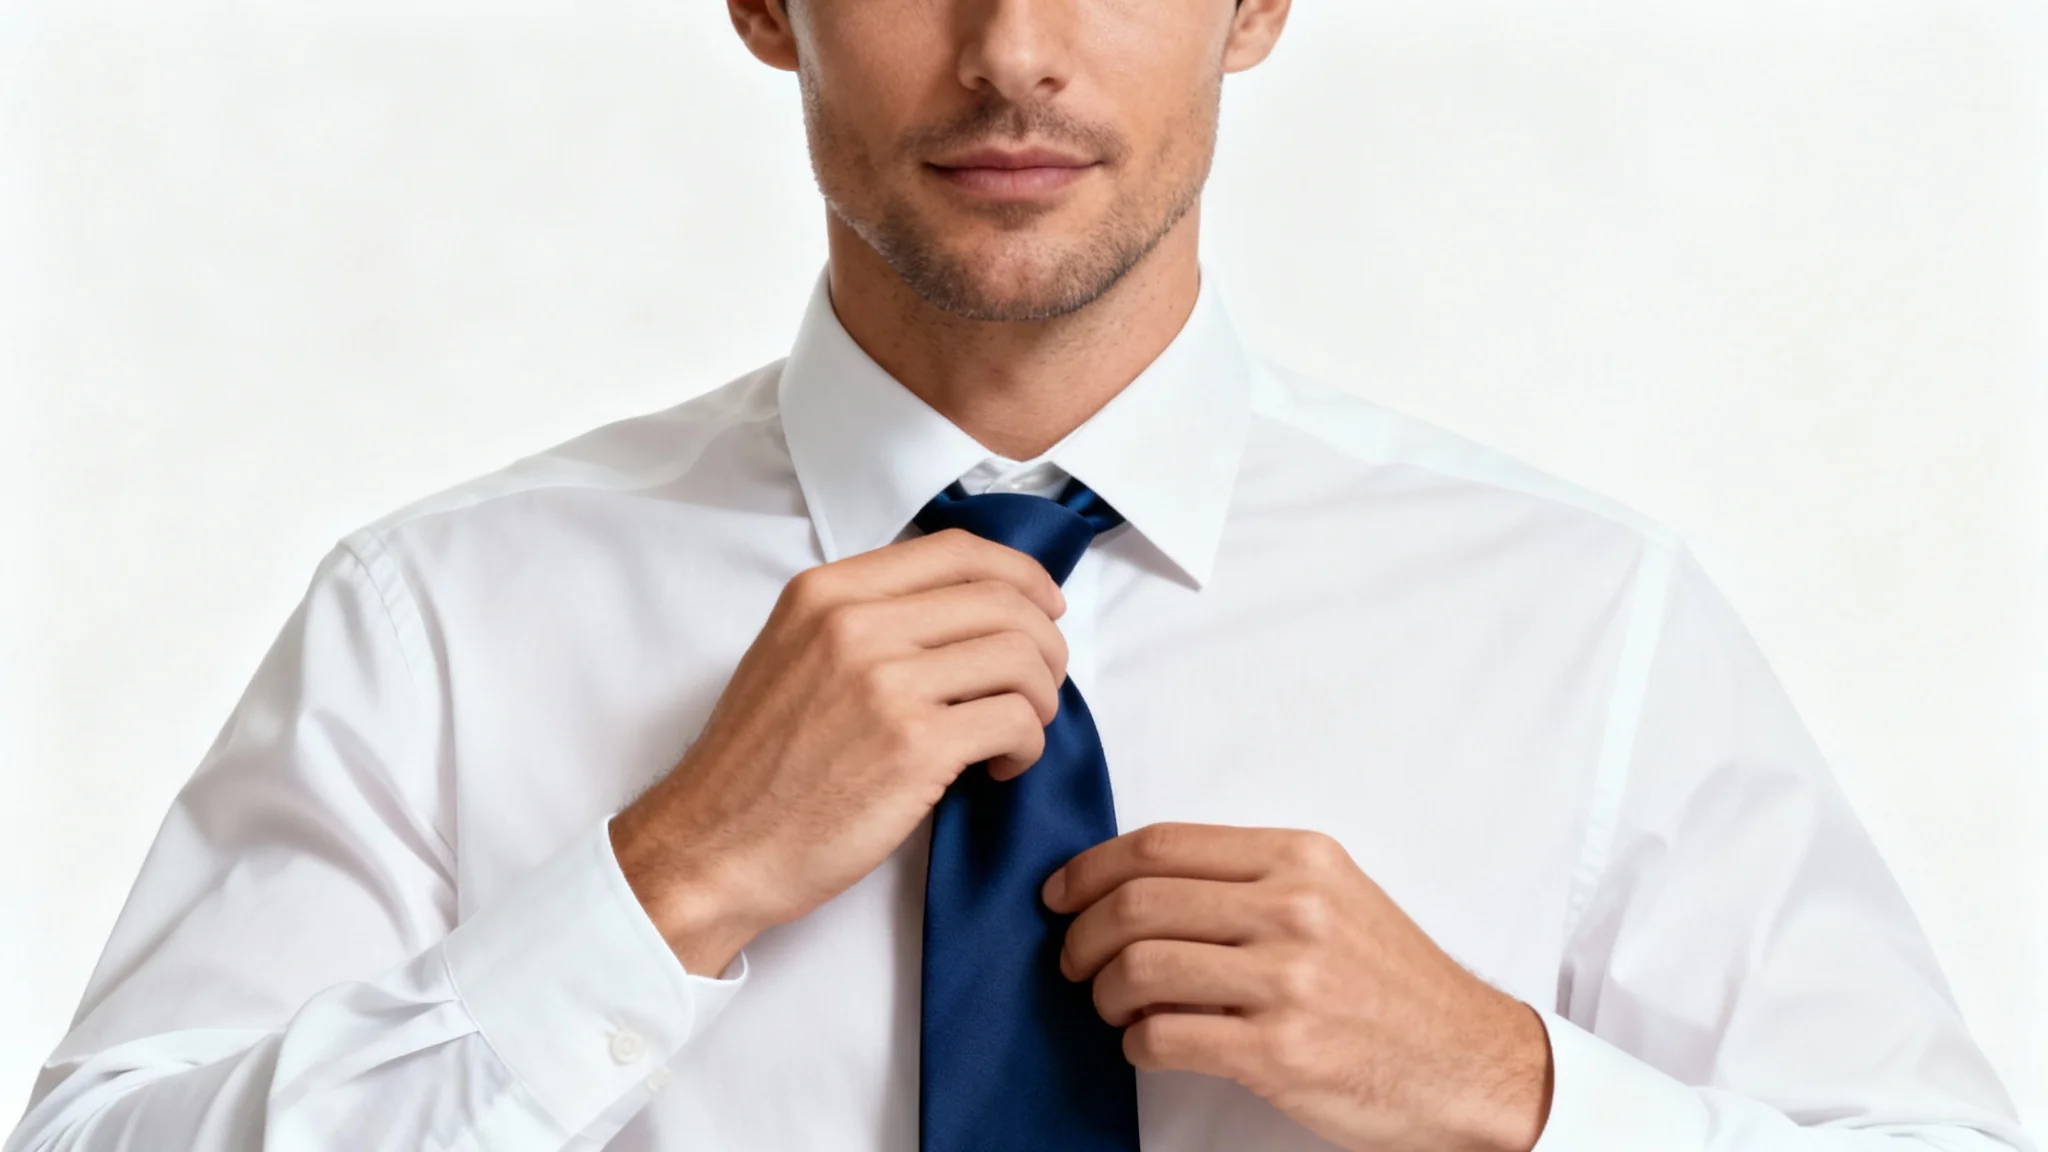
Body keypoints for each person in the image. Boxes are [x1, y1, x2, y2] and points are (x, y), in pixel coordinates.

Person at [7, 1, 2035, 1149]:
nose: (1011, 51)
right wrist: (662, 888)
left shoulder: (1576, 621)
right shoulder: (440, 622)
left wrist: (1513, 1090)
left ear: (1253, 2)